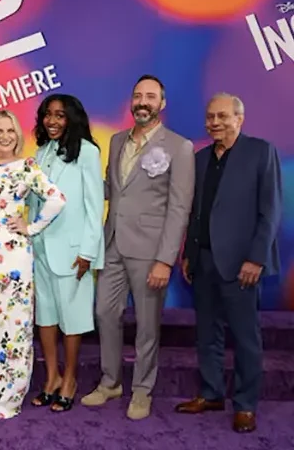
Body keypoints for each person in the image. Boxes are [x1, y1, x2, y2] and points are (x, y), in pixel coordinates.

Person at [81, 75, 195, 420]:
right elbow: (114, 190)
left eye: (150, 96)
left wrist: (165, 260)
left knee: (147, 326)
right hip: (113, 242)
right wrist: (70, 183)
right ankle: (110, 381)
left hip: (150, 251)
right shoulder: (116, 141)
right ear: (131, 102)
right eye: (137, 96)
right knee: (104, 313)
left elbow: (179, 207)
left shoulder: (179, 146)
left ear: (162, 104)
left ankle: (142, 390)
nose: (143, 101)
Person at [175, 93, 282, 433]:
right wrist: (189, 254)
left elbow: (270, 212)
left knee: (246, 337)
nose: (215, 123)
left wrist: (256, 258)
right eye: (210, 117)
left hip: (242, 265)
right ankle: (211, 393)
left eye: (222, 116)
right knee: (207, 334)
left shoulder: (260, 151)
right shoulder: (201, 157)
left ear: (240, 118)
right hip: (204, 261)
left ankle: (246, 405)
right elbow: (197, 211)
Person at [0, 109, 66, 419]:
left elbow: (57, 199)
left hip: (14, 262)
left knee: (13, 328)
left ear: (18, 135)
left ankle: (7, 400)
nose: (5, 136)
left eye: (10, 131)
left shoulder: (26, 168)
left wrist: (31, 227)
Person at [28, 95, 104, 413]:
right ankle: (51, 378)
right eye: (48, 115)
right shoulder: (40, 152)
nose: (53, 121)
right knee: (45, 318)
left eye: (60, 115)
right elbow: (34, 204)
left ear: (72, 117)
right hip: (41, 251)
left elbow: (94, 205)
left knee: (72, 321)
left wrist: (88, 252)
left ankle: (70, 379)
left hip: (74, 254)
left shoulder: (87, 152)